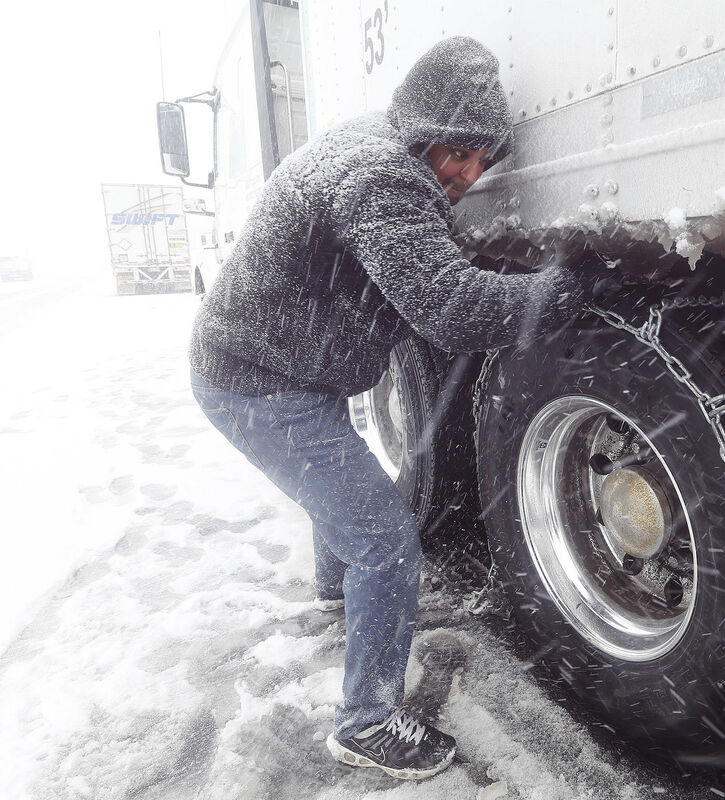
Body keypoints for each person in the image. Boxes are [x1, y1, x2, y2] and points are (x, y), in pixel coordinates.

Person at [188, 36, 598, 780]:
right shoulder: (381, 177)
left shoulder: (382, 148)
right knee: (385, 540)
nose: (468, 176)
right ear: (423, 131)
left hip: (287, 368)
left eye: (483, 160)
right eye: (458, 154)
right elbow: (452, 308)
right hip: (257, 383)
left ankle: (336, 590)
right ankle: (367, 721)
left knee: (344, 493)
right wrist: (565, 290)